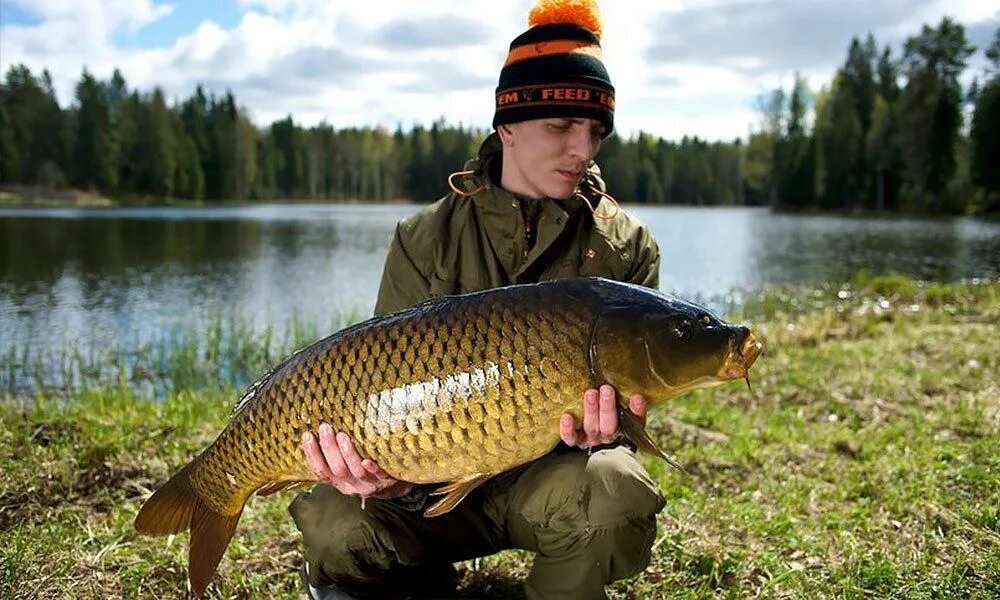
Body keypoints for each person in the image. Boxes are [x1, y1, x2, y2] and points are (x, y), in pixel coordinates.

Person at [289, 1, 665, 598]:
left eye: (595, 131)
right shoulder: (423, 239)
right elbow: (377, 386)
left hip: (545, 480)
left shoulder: (625, 247)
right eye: (561, 127)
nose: (583, 150)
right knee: (337, 525)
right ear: (507, 126)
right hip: (429, 482)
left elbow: (629, 401)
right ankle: (420, 578)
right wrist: (377, 473)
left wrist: (611, 432)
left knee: (614, 489)